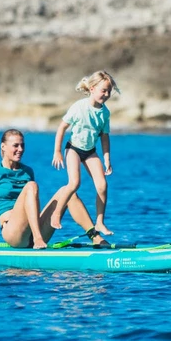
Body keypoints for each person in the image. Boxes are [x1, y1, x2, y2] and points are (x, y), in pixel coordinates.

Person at [0, 128, 108, 259]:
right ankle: (38, 239)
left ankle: (94, 236)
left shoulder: (27, 171)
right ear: (3, 147)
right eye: (15, 146)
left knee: (67, 192)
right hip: (14, 233)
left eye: (22, 145)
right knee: (31, 186)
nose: (20, 149)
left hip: (35, 228)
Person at [51, 70, 120, 235]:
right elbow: (62, 128)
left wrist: (107, 159)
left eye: (109, 91)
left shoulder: (105, 113)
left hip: (90, 152)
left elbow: (104, 137)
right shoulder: (79, 107)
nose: (106, 94)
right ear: (92, 89)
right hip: (73, 149)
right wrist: (57, 152)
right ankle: (56, 214)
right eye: (103, 90)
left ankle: (99, 223)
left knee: (102, 185)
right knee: (74, 183)